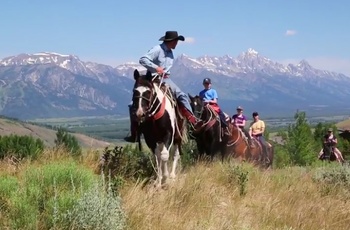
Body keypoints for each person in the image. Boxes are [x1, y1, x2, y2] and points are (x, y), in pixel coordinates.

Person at [124, 31, 201, 142]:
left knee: (182, 96)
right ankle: (134, 133)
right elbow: (143, 59)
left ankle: (192, 121)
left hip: (165, 79)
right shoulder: (157, 49)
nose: (177, 43)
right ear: (171, 41)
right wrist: (156, 68)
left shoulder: (170, 53)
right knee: (133, 104)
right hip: (152, 78)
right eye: (176, 41)